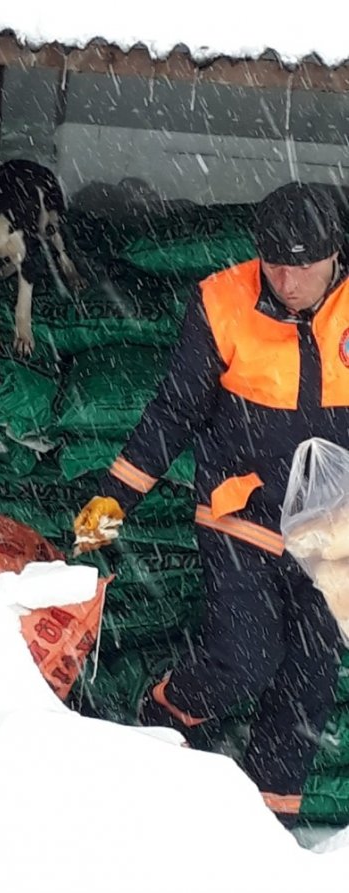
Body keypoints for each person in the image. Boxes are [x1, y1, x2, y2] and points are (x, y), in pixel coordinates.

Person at [74, 182, 348, 828]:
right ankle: (160, 716)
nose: (285, 278)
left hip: (330, 529)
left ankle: (265, 828)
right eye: (273, 261)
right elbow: (173, 413)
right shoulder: (221, 302)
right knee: (246, 654)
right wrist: (114, 499)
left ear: (336, 253)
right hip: (241, 511)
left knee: (308, 679)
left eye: (301, 264)